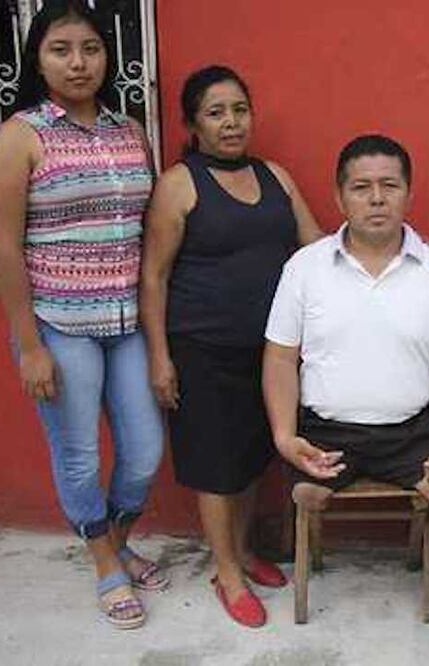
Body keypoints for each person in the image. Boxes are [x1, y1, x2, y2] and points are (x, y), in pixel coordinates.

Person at [0, 0, 165, 630]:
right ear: (37, 59)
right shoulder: (20, 137)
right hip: (59, 326)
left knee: (144, 452)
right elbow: (3, 249)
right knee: (80, 455)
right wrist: (30, 346)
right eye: (60, 50)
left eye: (90, 48)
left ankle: (117, 538)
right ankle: (105, 562)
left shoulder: (129, 130)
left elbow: (146, 227)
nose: (78, 63)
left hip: (126, 324)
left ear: (107, 55)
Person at [140, 66, 323, 628]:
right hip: (201, 350)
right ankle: (226, 574)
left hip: (268, 353)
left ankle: (242, 552)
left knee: (248, 460)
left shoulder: (276, 177)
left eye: (240, 110)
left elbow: (315, 247)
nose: (231, 122)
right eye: (216, 112)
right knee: (215, 467)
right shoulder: (179, 184)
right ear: (193, 123)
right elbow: (154, 276)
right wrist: (160, 357)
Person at [262, 134, 429, 533]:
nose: (377, 199)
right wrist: (284, 436)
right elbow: (280, 358)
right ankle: (315, 479)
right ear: (340, 198)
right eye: (361, 187)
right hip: (327, 432)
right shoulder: (305, 268)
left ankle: (423, 481)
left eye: (390, 186)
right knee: (309, 491)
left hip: (412, 432)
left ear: (409, 195)